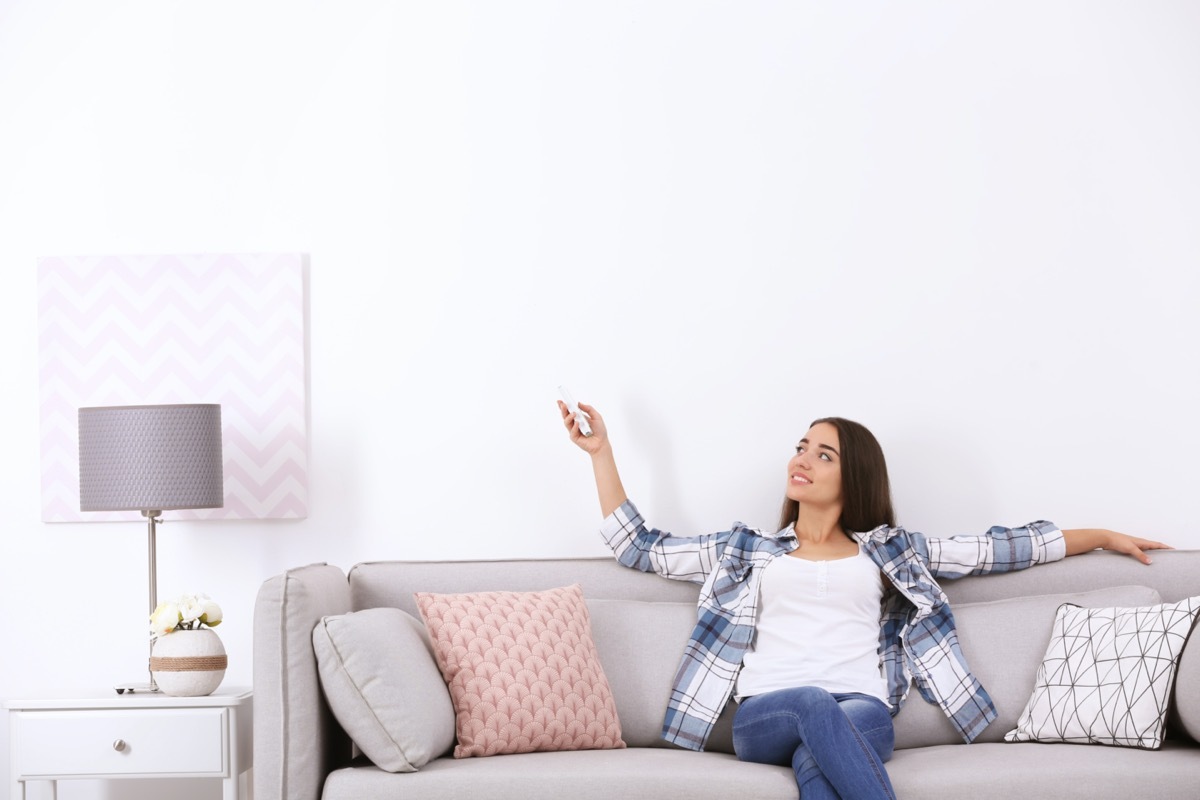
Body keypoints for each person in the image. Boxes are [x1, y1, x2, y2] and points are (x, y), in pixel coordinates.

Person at [558, 401, 1170, 800]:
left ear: (853, 480)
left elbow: (999, 549)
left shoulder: (891, 552)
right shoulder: (744, 550)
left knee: (818, 766)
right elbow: (638, 546)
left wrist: (1103, 535)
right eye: (802, 446)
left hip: (866, 710)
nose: (803, 460)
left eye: (824, 455)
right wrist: (601, 453)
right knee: (810, 706)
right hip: (767, 713)